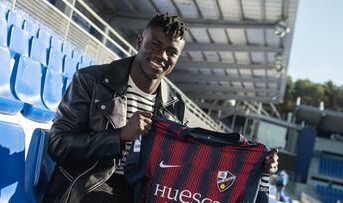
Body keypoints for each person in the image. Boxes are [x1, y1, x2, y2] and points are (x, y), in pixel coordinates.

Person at [43, 13, 279, 203]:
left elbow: (186, 159)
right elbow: (58, 144)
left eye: (171, 51)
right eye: (155, 45)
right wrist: (119, 135)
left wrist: (260, 166)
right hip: (89, 184)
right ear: (140, 42)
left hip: (145, 192)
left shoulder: (173, 103)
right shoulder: (91, 80)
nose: (162, 55)